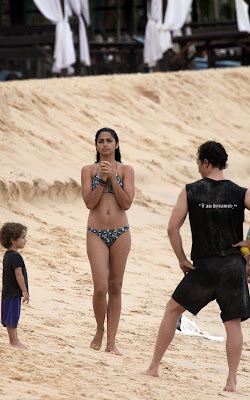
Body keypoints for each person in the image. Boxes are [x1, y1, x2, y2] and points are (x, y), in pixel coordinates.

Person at [144, 141, 250, 392]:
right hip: (233, 268)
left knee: (172, 310)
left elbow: (172, 227)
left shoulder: (191, 191)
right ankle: (231, 380)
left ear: (206, 163)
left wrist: (181, 258)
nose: (198, 168)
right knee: (232, 322)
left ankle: (154, 367)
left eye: (199, 163)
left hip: (204, 267)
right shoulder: (239, 192)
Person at [81, 127, 134, 355]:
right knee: (100, 287)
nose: (105, 145)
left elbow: (127, 203)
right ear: (96, 146)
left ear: (116, 145)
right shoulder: (88, 170)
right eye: (100, 141)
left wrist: (113, 176)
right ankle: (99, 329)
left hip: (121, 232)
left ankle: (112, 341)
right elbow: (89, 203)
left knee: (116, 287)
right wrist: (101, 180)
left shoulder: (126, 170)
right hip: (96, 232)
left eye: (109, 141)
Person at [0, 222, 29, 349]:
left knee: (9, 316)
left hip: (7, 291)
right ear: (13, 240)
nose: (25, 240)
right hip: (14, 292)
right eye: (23, 237)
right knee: (12, 316)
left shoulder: (7, 255)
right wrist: (24, 291)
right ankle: (14, 341)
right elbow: (19, 274)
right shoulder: (16, 257)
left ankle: (15, 340)